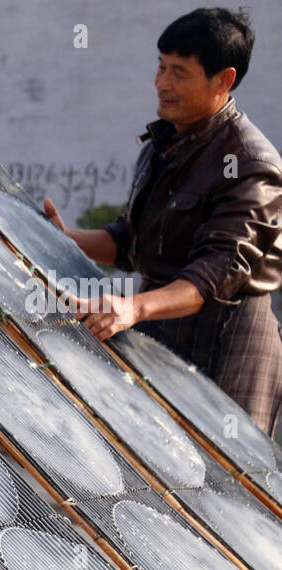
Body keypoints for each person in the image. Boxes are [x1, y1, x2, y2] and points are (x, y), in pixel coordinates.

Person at [44, 7, 282, 435]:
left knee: (219, 481)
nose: (161, 84)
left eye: (179, 73)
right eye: (160, 67)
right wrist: (62, 238)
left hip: (228, 339)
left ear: (223, 80)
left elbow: (217, 273)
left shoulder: (250, 163)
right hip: (157, 319)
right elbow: (133, 241)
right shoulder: (165, 141)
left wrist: (132, 307)